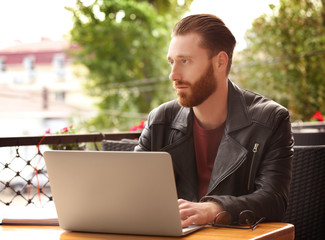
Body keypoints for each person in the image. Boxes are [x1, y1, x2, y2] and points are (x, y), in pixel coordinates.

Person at [135, 14, 294, 228]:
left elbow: (273, 201)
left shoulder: (271, 119)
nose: (173, 74)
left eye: (185, 61)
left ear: (220, 62)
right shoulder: (159, 120)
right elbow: (133, 190)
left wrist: (213, 209)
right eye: (172, 62)